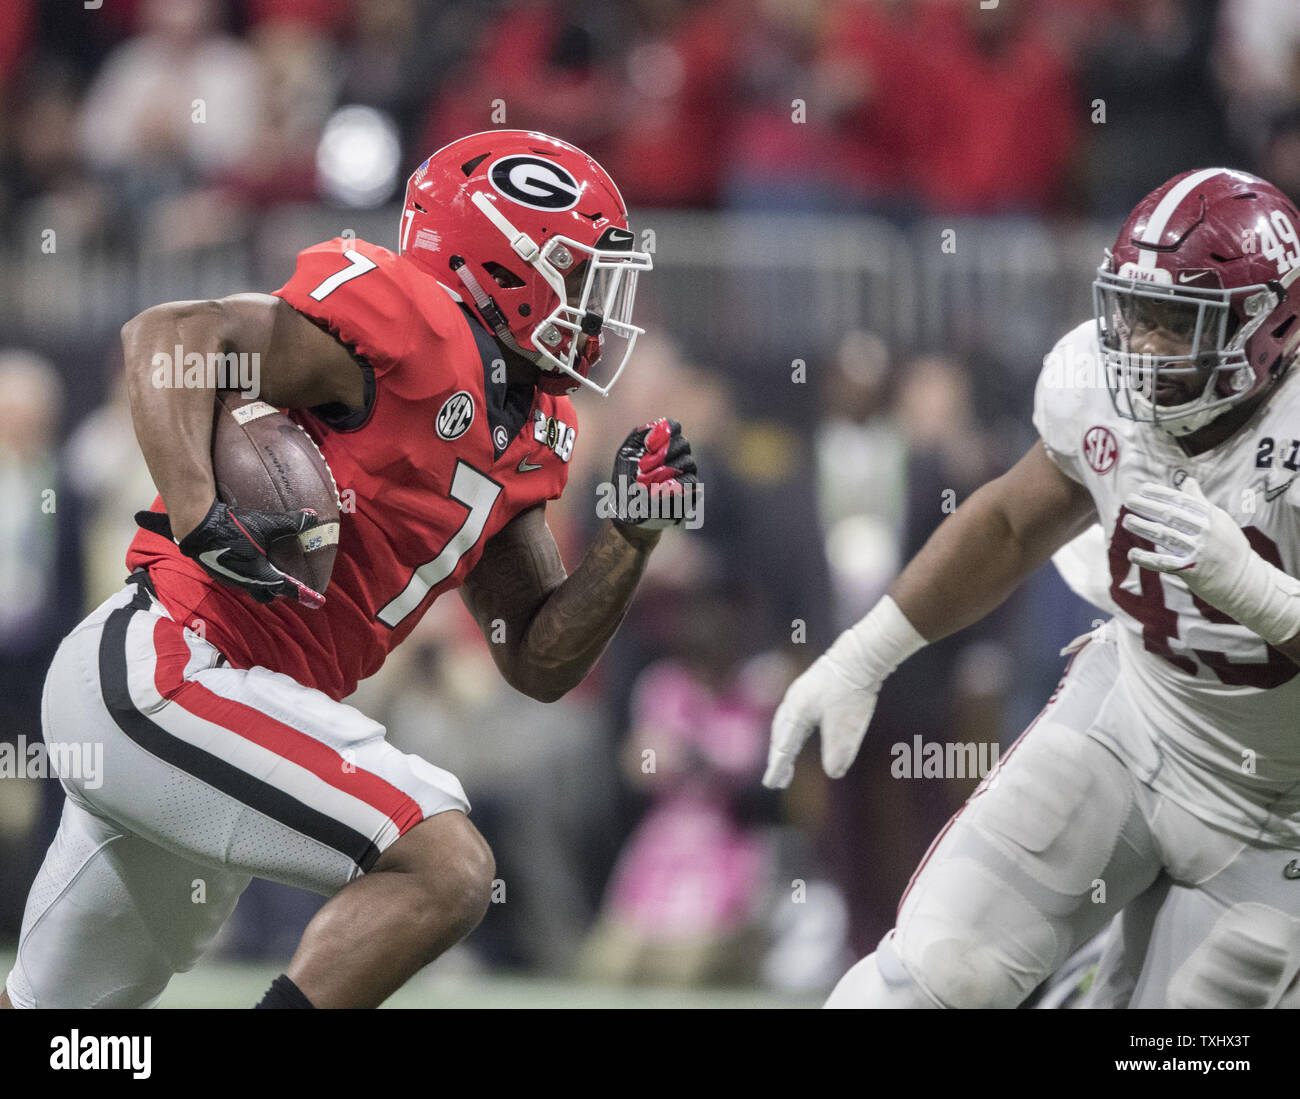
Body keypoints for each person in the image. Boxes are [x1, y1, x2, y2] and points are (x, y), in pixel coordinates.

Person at [3, 130, 698, 1010]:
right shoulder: (402, 321)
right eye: (579, 275)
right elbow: (170, 337)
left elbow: (535, 658)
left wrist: (627, 543)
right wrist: (198, 510)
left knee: (62, 1030)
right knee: (446, 863)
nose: (598, 310)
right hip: (167, 667)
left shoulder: (530, 431)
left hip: (225, 711)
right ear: (504, 269)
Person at [766, 167, 1300, 1009]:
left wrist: (1256, 590)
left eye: (1179, 322)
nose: (1146, 347)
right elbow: (1012, 524)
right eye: (1140, 313)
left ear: (1270, 326)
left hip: (1281, 810)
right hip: (1133, 724)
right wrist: (865, 654)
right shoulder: (1099, 385)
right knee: (919, 983)